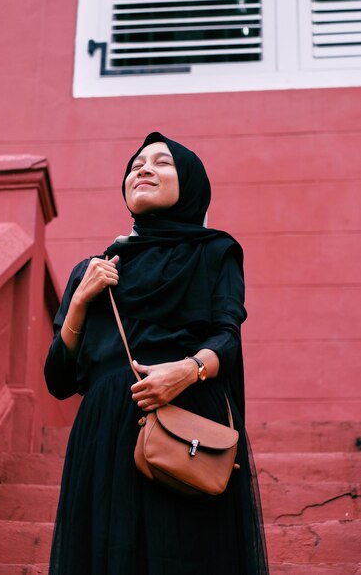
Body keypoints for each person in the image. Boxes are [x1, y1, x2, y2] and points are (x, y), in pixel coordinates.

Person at [44, 131, 269, 575]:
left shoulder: (215, 252)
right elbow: (58, 379)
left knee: (182, 553)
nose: (142, 169)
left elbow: (228, 334)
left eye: (161, 162)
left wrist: (186, 372)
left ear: (191, 183)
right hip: (105, 433)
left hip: (186, 425)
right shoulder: (94, 269)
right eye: (135, 164)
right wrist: (79, 301)